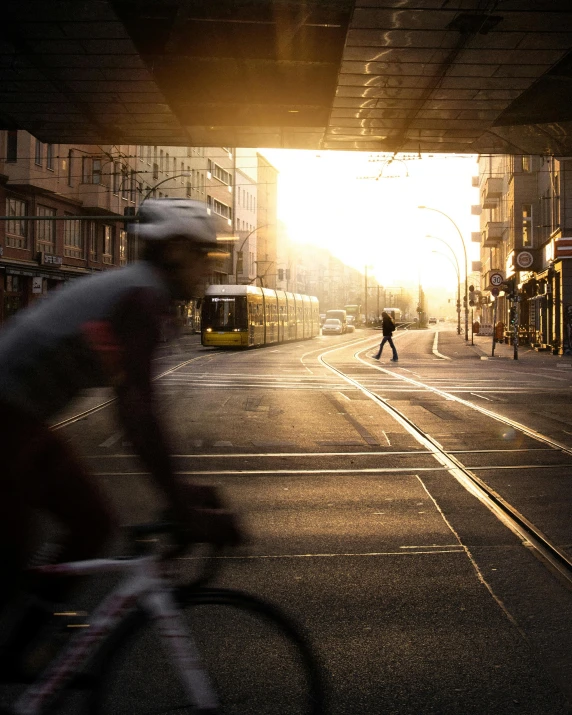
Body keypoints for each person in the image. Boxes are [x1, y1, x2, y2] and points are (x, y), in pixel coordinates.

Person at [0, 198, 242, 679]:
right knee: (9, 558)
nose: (210, 267)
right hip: (6, 422)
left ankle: (19, 652)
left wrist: (182, 494)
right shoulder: (141, 297)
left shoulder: (141, 293)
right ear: (175, 249)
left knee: (92, 523)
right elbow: (137, 413)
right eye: (205, 254)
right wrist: (183, 503)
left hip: (23, 421)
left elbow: (138, 412)